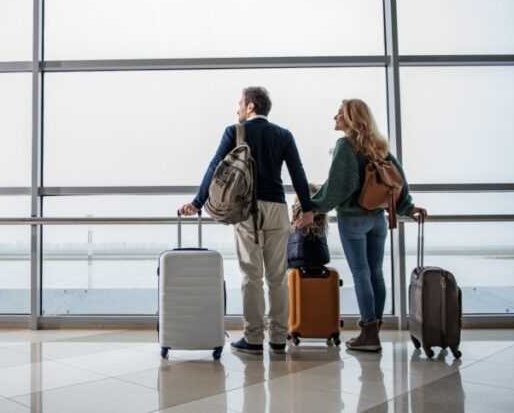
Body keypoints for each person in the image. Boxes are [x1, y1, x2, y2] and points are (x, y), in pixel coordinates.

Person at [179, 87, 314, 355]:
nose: (237, 108)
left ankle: (253, 338)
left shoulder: (235, 132)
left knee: (251, 277)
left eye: (240, 103)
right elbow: (297, 172)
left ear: (251, 106)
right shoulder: (284, 135)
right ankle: (278, 338)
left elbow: (214, 166)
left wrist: (197, 202)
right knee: (277, 278)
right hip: (277, 209)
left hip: (247, 210)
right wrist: (307, 210)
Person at [303, 99, 427, 352]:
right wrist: (408, 207)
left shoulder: (345, 146)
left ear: (350, 119)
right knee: (376, 273)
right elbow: (398, 179)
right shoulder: (379, 146)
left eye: (339, 113)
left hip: (353, 219)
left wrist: (313, 209)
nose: (334, 116)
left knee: (361, 274)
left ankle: (369, 334)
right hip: (378, 219)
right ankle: (374, 331)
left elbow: (339, 187)